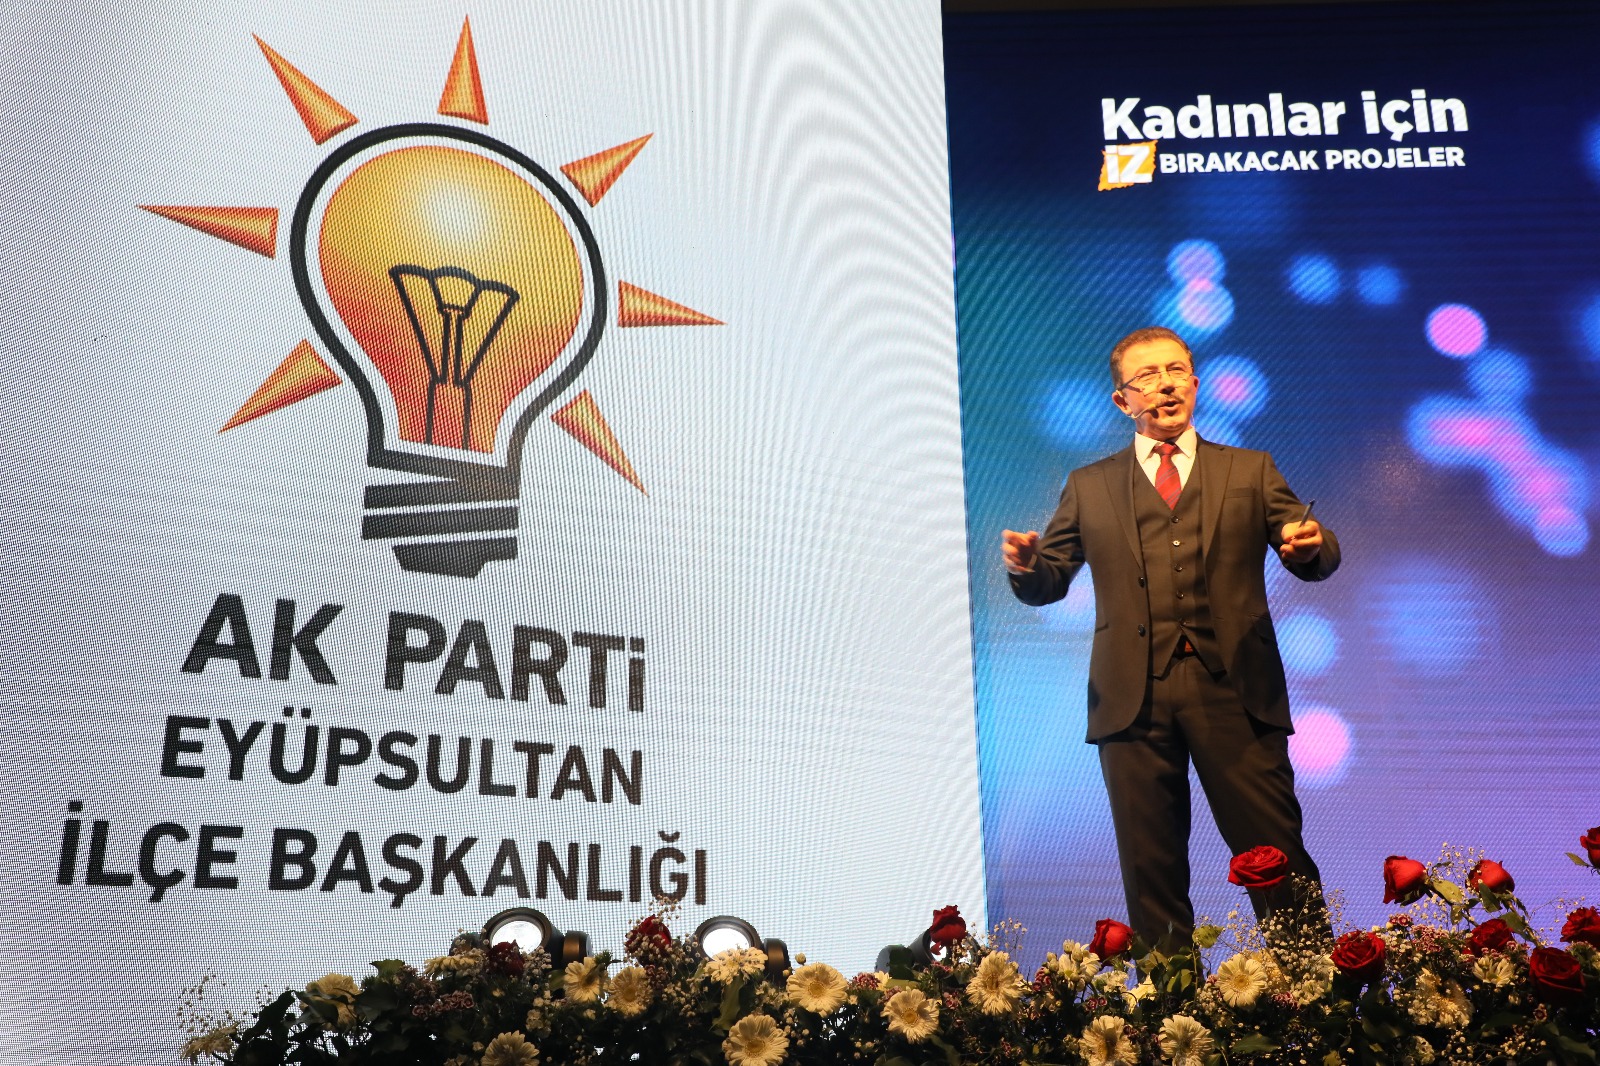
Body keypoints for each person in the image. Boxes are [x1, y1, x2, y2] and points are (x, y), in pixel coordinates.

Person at [1001, 326, 1338, 949]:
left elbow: (1310, 545)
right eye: (1148, 376)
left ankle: (1312, 989)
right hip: (1132, 702)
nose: (1166, 385)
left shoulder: (1249, 469)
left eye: (1177, 371)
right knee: (1150, 869)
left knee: (1275, 855)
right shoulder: (1089, 485)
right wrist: (1027, 567)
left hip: (1236, 691)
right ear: (1122, 400)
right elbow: (1050, 580)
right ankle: (1173, 1005)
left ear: (1196, 383)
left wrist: (1310, 546)